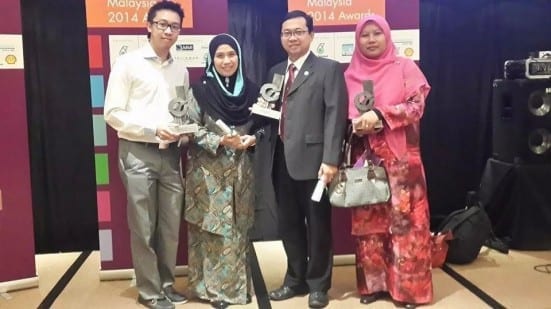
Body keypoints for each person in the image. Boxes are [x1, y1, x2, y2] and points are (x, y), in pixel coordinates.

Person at [103, 1, 188, 309]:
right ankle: (150, 292)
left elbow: (181, 111)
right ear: (149, 25)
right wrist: (153, 129)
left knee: (169, 226)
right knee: (143, 225)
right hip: (137, 153)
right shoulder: (128, 64)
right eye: (163, 24)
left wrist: (184, 129)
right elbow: (112, 114)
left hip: (171, 156)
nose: (168, 30)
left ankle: (167, 284)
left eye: (174, 26)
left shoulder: (180, 68)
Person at [343, 15, 432, 308]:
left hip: (402, 162)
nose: (370, 40)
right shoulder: (350, 75)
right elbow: (339, 117)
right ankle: (373, 286)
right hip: (365, 162)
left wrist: (380, 115)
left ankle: (408, 290)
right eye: (364, 35)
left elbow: (416, 106)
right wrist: (353, 125)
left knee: (406, 225)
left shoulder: (405, 67)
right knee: (369, 226)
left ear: (387, 36)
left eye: (376, 34)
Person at [265, 10, 348, 309]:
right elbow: (270, 113)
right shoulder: (275, 71)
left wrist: (331, 159)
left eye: (299, 31)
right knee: (288, 225)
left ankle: (318, 285)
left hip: (316, 163)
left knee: (318, 225)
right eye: (287, 32)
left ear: (311, 35)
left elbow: (335, 117)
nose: (292, 37)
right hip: (280, 160)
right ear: (280, 37)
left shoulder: (328, 69)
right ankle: (294, 278)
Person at [183, 33, 262, 309]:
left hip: (241, 172)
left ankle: (236, 289)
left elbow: (264, 126)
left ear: (239, 57)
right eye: (220, 55)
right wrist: (218, 140)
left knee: (238, 231)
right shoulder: (200, 91)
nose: (226, 60)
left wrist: (254, 139)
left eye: (231, 55)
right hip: (207, 173)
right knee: (211, 230)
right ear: (211, 59)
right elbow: (190, 129)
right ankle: (211, 291)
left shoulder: (253, 91)